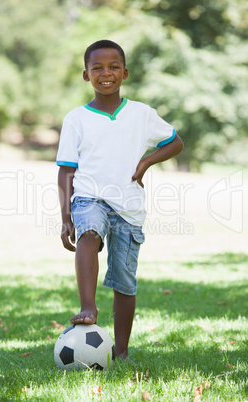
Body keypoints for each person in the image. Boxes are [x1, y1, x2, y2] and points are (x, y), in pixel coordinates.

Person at [57, 39, 183, 359]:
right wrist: (66, 216)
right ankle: (88, 307)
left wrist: (145, 163)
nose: (106, 73)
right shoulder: (76, 118)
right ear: (86, 75)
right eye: (97, 67)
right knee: (89, 232)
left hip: (129, 207)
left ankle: (122, 352)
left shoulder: (142, 114)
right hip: (89, 197)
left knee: (125, 282)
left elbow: (175, 142)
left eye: (113, 66)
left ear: (124, 72)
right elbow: (66, 171)